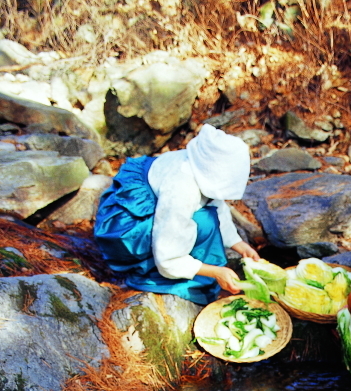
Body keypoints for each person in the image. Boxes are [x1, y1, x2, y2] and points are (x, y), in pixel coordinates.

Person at [94, 124, 260, 305]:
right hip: (129, 229)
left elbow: (217, 204)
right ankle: (151, 271)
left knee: (208, 219)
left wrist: (239, 245)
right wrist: (214, 272)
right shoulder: (181, 190)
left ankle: (193, 266)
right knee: (204, 222)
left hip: (161, 207)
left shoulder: (201, 165)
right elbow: (167, 257)